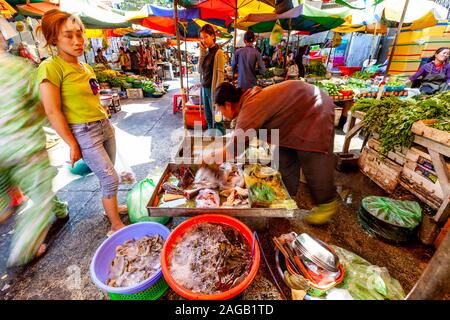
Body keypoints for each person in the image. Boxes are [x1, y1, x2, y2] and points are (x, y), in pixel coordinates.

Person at [36, 9, 126, 237]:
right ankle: (116, 226)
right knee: (109, 177)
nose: (77, 41)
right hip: (84, 132)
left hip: (103, 125)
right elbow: (52, 110)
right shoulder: (50, 67)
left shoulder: (84, 66)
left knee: (108, 175)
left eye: (80, 34)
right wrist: (72, 143)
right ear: (54, 39)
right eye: (69, 35)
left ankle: (111, 211)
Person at [205, 81, 338, 225]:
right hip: (295, 118)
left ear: (228, 104)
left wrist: (209, 158)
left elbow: (234, 149)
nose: (221, 114)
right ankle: (286, 202)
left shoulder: (250, 106)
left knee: (313, 160)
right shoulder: (248, 100)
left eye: (220, 109)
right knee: (284, 159)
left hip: (315, 109)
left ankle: (327, 204)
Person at [0, 16, 68, 266]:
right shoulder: (17, 67)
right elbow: (43, 105)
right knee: (40, 193)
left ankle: (7, 208)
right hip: (24, 146)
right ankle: (24, 249)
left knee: (7, 192)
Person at [198, 24, 226, 135]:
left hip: (214, 91)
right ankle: (212, 141)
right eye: (202, 37)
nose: (203, 40)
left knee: (218, 120)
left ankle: (223, 144)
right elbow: (200, 70)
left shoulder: (219, 53)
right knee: (209, 118)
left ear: (213, 36)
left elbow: (220, 76)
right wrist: (202, 53)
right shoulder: (207, 52)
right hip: (205, 89)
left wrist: (218, 96)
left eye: (206, 36)